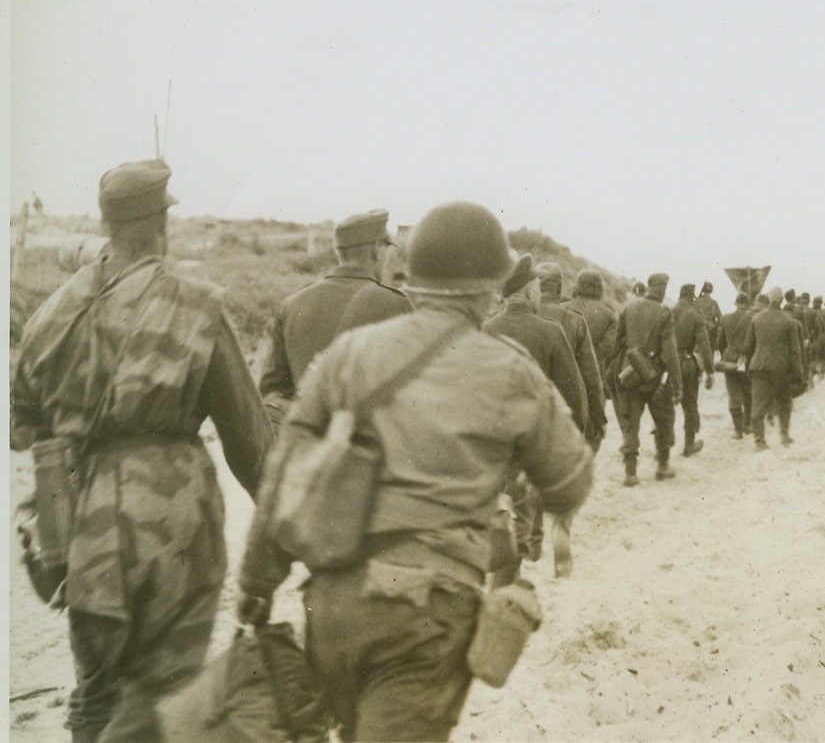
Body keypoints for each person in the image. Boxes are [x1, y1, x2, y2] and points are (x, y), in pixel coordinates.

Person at [238, 201, 593, 743]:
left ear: (413, 274)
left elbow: (284, 477)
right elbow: (570, 480)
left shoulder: (347, 355)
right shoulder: (508, 369)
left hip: (334, 602)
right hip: (428, 608)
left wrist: (257, 584)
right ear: (492, 286)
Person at [11, 160, 273, 743]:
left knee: (96, 689)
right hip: (172, 526)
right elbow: (251, 443)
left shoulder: (50, 315)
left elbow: (22, 430)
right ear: (162, 223)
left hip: (73, 521)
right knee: (164, 698)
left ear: (105, 223)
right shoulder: (196, 304)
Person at [484, 255, 587, 577]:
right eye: (537, 289)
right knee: (519, 523)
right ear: (529, 293)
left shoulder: (484, 330)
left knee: (504, 512)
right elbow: (574, 394)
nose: (540, 295)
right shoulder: (551, 332)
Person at [259, 209, 411, 426]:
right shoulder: (395, 304)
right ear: (377, 250)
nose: (387, 258)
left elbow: (271, 392)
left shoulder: (292, 304)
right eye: (386, 248)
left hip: (310, 448)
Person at [611, 272, 683, 486]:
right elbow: (670, 352)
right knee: (664, 418)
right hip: (656, 377)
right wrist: (678, 382)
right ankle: (662, 466)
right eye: (665, 287)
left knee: (630, 420)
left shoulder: (628, 307)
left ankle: (630, 473)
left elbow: (617, 342)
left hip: (630, 373)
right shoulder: (664, 312)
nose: (664, 291)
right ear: (660, 287)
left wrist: (614, 369)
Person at [535, 261, 604, 451]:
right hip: (562, 410)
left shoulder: (518, 316)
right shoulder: (574, 320)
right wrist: (597, 418)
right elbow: (590, 376)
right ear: (559, 287)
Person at [563, 268, 619, 447]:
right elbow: (607, 349)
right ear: (599, 287)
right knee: (592, 432)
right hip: (593, 378)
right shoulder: (609, 315)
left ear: (579, 285)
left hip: (563, 375)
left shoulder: (563, 307)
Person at [746, 286, 805, 449]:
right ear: (781, 301)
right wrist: (798, 373)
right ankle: (784, 435)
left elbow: (748, 347)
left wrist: (749, 368)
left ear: (769, 299)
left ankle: (759, 441)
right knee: (785, 401)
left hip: (758, 366)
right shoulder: (789, 321)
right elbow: (795, 350)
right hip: (780, 367)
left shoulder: (756, 319)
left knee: (757, 404)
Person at [671, 283, 715, 456]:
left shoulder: (668, 312)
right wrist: (710, 371)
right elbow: (705, 345)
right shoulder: (696, 316)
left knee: (664, 406)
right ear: (692, 297)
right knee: (690, 405)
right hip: (687, 364)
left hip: (667, 363)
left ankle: (662, 448)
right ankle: (689, 445)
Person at [715, 292, 755, 438]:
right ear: (748, 304)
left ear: (736, 303)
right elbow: (754, 343)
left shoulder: (726, 318)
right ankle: (747, 425)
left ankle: (737, 431)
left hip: (729, 356)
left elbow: (720, 341)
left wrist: (726, 354)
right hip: (745, 358)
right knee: (748, 392)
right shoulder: (752, 319)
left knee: (733, 394)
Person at [695, 281, 723, 359]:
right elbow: (720, 317)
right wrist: (716, 326)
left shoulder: (697, 301)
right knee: (710, 353)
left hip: (699, 328)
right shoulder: (714, 302)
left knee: (699, 352)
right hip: (711, 330)